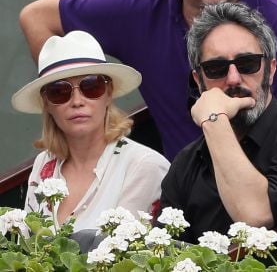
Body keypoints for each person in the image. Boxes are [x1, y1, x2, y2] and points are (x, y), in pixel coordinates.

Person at [19, 0, 277, 161]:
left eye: (247, 62)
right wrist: (80, 121)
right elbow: (37, 18)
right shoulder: (138, 11)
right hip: (179, 195)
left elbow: (276, 156)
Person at [157, 2, 277, 244]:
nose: (233, 79)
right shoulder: (186, 165)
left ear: (271, 70)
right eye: (216, 68)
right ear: (199, 80)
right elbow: (163, 255)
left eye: (247, 64)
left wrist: (213, 119)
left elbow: (255, 215)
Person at [11, 30, 170, 232]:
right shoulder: (43, 163)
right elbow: (27, 249)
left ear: (109, 93)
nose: (77, 101)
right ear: (47, 104)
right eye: (59, 92)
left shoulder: (144, 166)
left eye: (91, 86)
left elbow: (124, 254)